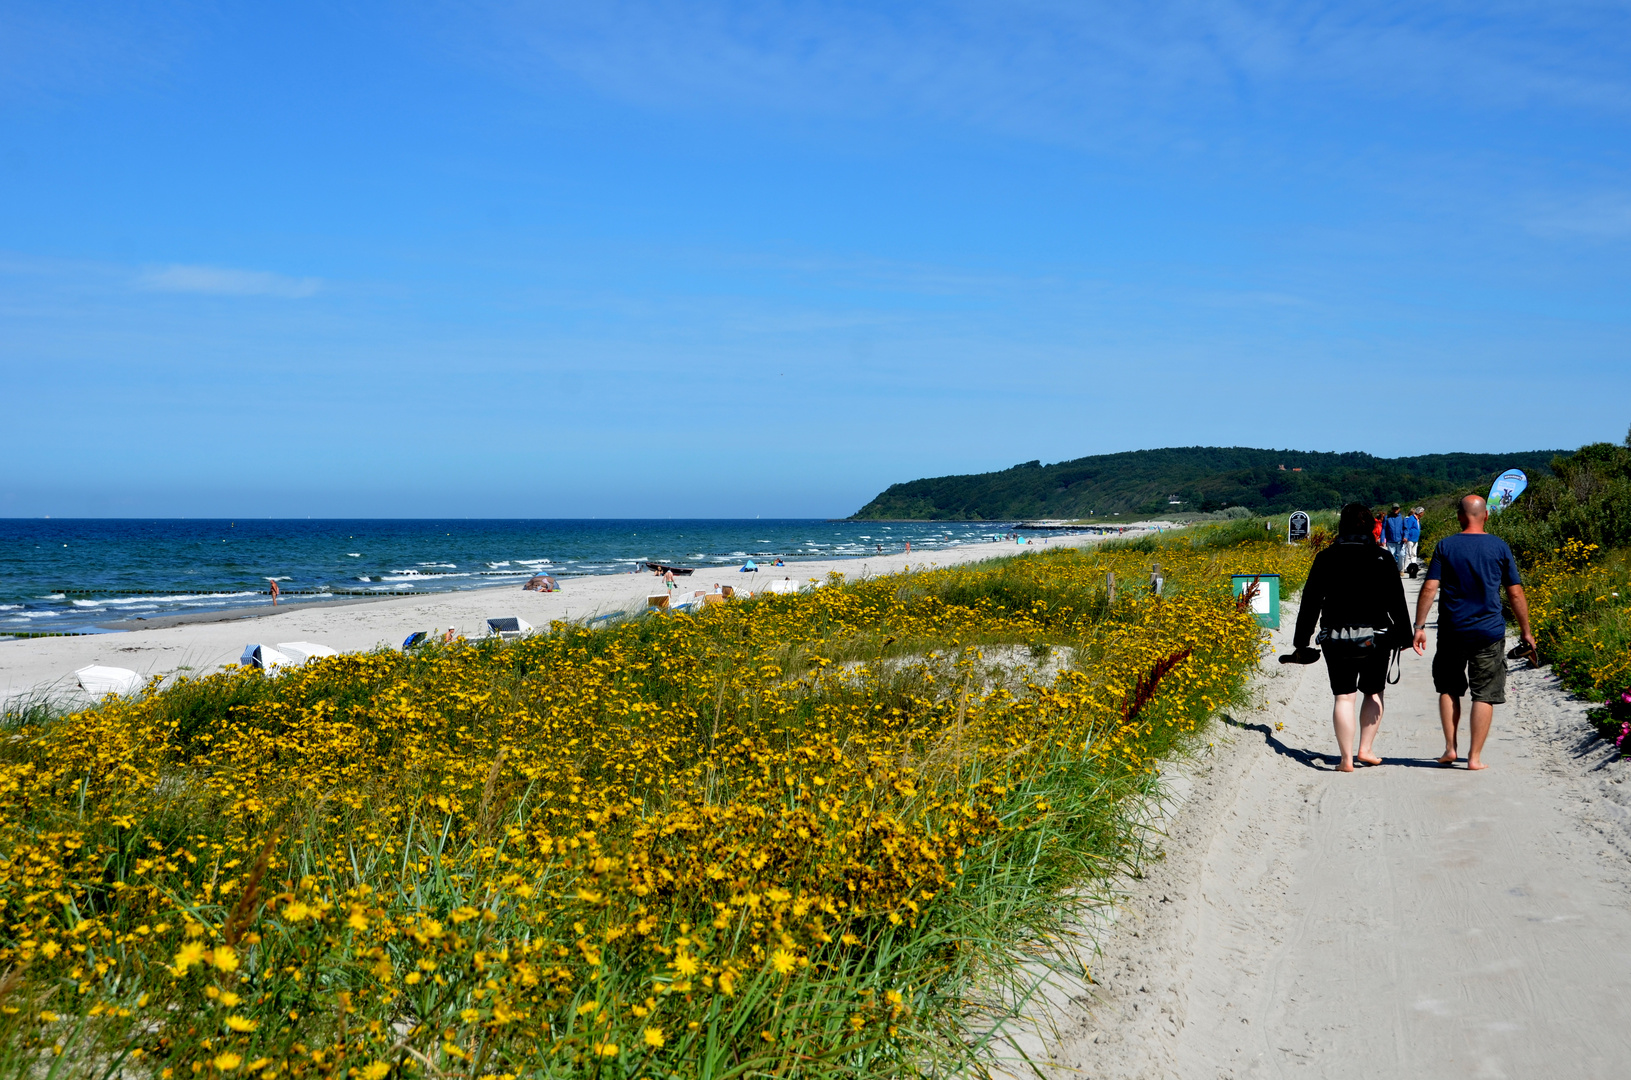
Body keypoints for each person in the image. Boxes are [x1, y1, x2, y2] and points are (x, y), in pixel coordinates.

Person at [1411, 494, 1535, 770]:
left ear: (1459, 516)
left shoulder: (1446, 546)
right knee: (1484, 694)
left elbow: (1430, 588)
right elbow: (1515, 593)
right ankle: (1475, 757)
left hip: (1453, 630)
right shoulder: (1500, 547)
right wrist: (1526, 631)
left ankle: (1450, 748)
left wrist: (1419, 627)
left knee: (1448, 688)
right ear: (1486, 516)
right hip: (1489, 632)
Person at [1292, 503, 1412, 772]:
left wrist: (1301, 642)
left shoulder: (1325, 558)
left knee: (1343, 696)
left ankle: (1345, 760)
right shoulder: (1382, 557)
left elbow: (1310, 603)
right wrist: (1405, 635)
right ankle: (1365, 749)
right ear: (1371, 526)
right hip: (1377, 637)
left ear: (1341, 527)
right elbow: (1397, 601)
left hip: (1335, 638)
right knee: (1373, 692)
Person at [1382, 503, 1409, 571]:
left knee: (1402, 555)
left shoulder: (1402, 517)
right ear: (1392, 509)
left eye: (1397, 508)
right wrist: (1382, 539)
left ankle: (1400, 570)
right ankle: (1393, 570)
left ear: (1399, 509)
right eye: (1394, 508)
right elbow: (1384, 529)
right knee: (1391, 556)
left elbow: (1406, 528)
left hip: (1400, 541)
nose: (1395, 510)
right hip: (1390, 540)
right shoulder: (1387, 518)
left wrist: (1405, 536)